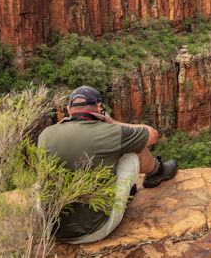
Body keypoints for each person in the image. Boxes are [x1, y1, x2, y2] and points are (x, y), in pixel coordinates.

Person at [38, 85, 178, 244]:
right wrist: (111, 122)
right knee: (132, 152)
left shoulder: (46, 134)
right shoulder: (109, 132)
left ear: (69, 110)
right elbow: (152, 135)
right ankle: (157, 173)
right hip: (94, 229)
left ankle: (128, 188)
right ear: (99, 107)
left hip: (53, 230)